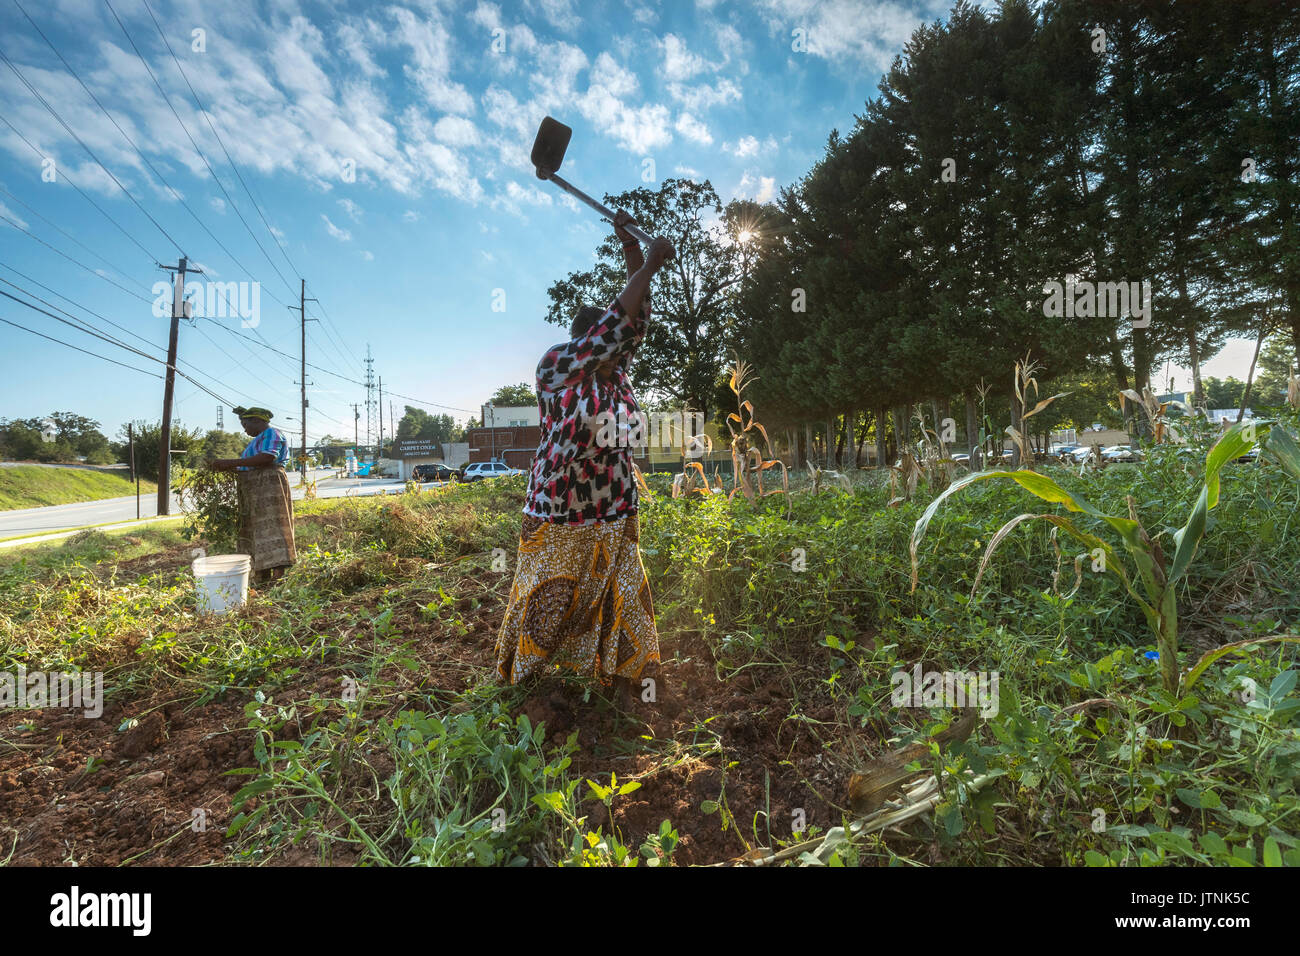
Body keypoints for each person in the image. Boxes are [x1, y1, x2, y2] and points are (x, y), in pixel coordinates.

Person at [495, 211, 674, 710]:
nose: (623, 348)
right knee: (549, 600)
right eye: (610, 343)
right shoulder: (558, 365)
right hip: (560, 509)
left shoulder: (617, 374)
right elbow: (618, 326)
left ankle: (630, 677)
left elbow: (632, 325)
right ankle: (526, 684)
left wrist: (633, 252)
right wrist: (647, 269)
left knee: (624, 590)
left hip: (615, 506)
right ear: (586, 341)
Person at [207, 406, 297, 584]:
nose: (244, 429)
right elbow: (249, 463)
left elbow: (266, 458)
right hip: (254, 488)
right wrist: (229, 468)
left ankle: (278, 576)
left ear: (257, 421)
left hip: (268, 485)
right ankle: (262, 573)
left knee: (273, 526)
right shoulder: (257, 440)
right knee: (255, 529)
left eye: (245, 424)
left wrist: (230, 462)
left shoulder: (272, 434)